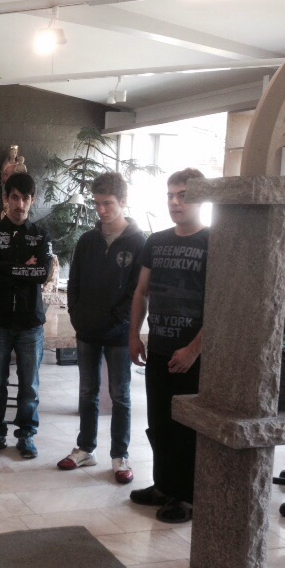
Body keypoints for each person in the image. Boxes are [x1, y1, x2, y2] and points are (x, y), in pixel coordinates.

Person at [129, 167, 208, 524]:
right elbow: (141, 292)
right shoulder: (156, 241)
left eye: (184, 196)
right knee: (158, 422)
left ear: (201, 198)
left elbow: (221, 304)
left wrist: (194, 349)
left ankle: (186, 497)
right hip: (159, 348)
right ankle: (163, 486)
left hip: (193, 355)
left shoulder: (214, 242)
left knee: (185, 428)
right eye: (171, 195)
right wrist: (134, 335)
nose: (175, 202)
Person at [57, 172, 146, 484]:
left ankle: (120, 455)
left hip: (119, 333)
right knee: (87, 391)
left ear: (123, 202)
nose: (101, 210)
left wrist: (117, 319)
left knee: (120, 395)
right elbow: (74, 283)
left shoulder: (138, 242)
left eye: (108, 203)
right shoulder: (87, 240)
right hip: (87, 330)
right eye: (97, 203)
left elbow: (138, 290)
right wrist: (76, 315)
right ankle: (85, 448)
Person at [0, 172, 53, 459]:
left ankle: (26, 435)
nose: (20, 204)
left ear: (32, 200)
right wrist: (22, 268)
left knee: (29, 385)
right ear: (5, 199)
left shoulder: (41, 235)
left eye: (25, 198)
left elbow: (41, 274)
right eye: (15, 198)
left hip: (30, 322)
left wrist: (4, 266)